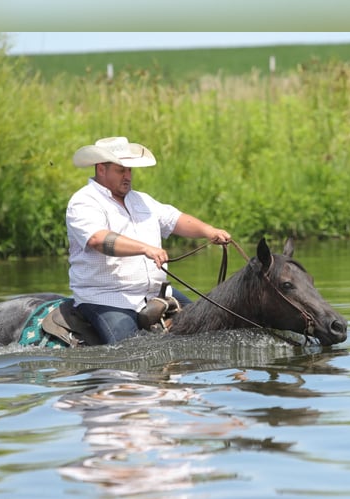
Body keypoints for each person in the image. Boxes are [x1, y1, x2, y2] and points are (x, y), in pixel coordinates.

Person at [67, 136, 231, 344]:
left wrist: (208, 231)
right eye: (121, 170)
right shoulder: (83, 201)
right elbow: (98, 240)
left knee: (209, 330)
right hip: (107, 298)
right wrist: (145, 248)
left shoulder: (141, 200)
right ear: (101, 169)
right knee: (131, 351)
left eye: (129, 170)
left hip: (157, 293)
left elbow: (174, 219)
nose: (128, 176)